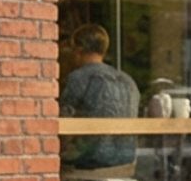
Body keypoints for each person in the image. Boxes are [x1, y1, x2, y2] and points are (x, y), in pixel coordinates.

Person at [59, 23, 140, 171]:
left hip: (89, 164)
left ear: (78, 49)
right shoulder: (128, 81)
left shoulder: (78, 78)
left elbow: (62, 123)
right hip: (125, 164)